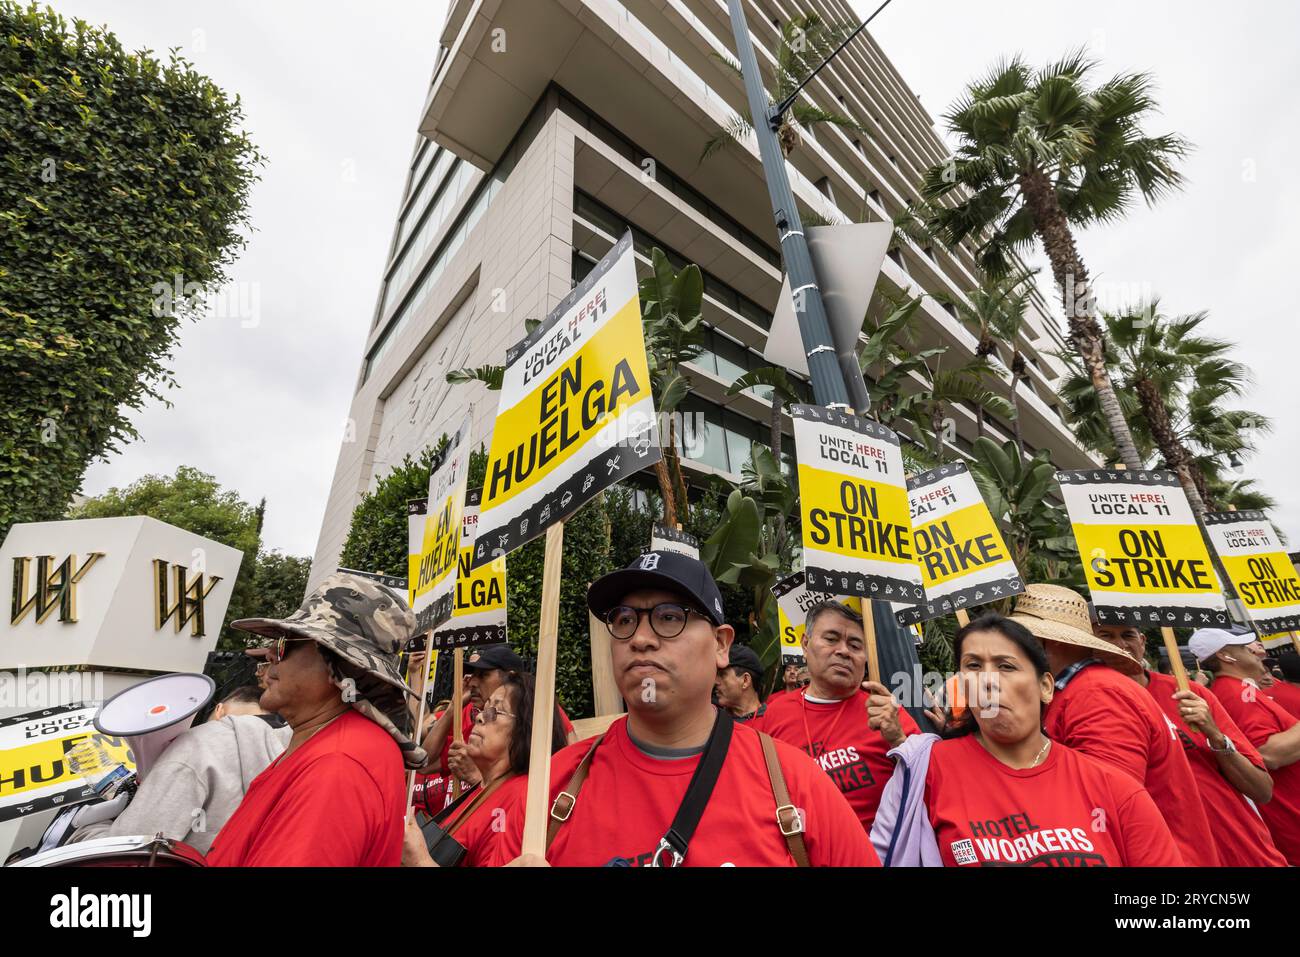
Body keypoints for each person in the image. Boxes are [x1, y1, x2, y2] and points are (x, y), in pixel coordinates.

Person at [503, 551, 877, 866]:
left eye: (669, 617)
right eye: (624, 620)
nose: (641, 639)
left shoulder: (795, 787)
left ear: (720, 644)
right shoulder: (545, 795)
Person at [871, 614, 1182, 866]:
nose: (988, 680)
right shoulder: (922, 772)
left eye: (1006, 666)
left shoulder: (1116, 790)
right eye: (973, 666)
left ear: (1046, 686)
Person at [206, 573, 426, 866]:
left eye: (285, 643)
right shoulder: (331, 742)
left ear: (337, 665)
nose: (270, 654)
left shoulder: (339, 765)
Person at [1009, 584, 1219, 866]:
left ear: (1049, 642)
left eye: (1019, 642)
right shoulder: (1084, 688)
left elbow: (1105, 804)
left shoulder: (1097, 694)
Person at [1094, 619, 1285, 867]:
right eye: (1106, 636)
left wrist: (1215, 735)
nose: (1120, 645)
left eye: (1128, 635)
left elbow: (1262, 790)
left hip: (1246, 850)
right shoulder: (1092, 704)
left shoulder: (1193, 694)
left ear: (1142, 642)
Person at [755, 600, 919, 834]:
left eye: (855, 645)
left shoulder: (886, 712)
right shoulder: (774, 714)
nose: (843, 651)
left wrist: (898, 739)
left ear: (865, 656)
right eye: (831, 639)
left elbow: (928, 781)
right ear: (805, 643)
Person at [66, 686, 292, 854]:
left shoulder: (197, 748)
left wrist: (94, 827)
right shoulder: (292, 747)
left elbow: (126, 852)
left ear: (220, 710)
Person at [401, 671, 568, 867]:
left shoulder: (520, 799)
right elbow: (425, 762)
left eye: (495, 712)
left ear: (525, 727)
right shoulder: (484, 790)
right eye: (484, 709)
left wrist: (420, 861)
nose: (480, 716)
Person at [1196, 628, 1300, 864]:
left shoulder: (1243, 689)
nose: (1255, 652)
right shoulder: (1236, 693)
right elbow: (1269, 753)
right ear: (1226, 656)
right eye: (1244, 648)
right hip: (1290, 814)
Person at [419, 644, 576, 790]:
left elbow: (569, 772)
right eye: (473, 675)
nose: (472, 682)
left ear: (511, 677)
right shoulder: (478, 724)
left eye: (484, 675)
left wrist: (478, 778)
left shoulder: (537, 710)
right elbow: (424, 765)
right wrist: (453, 708)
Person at [714, 644, 766, 722]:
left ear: (745, 680)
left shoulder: (772, 722)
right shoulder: (713, 721)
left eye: (722, 675)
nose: (715, 682)